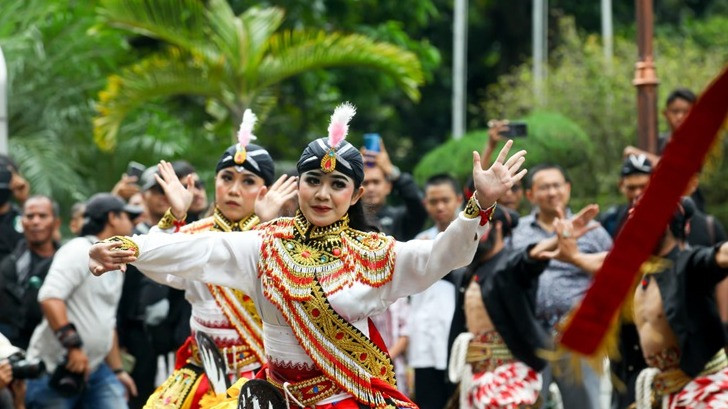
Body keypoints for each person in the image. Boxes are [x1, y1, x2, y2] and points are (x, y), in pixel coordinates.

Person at [89, 103, 527, 408]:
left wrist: (478, 206)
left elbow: (438, 257)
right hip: (269, 396)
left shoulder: (373, 254)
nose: (322, 193)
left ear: (356, 193)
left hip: (340, 398)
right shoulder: (267, 243)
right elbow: (201, 249)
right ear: (296, 184)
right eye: (312, 180)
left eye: (337, 185)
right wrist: (128, 246)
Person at [141, 110, 297, 408]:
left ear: (265, 190)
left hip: (260, 376)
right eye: (227, 178)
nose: (234, 190)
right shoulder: (192, 235)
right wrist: (174, 216)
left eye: (248, 181)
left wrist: (268, 226)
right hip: (203, 372)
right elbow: (153, 263)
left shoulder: (283, 240)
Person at [551, 197, 728, 408]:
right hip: (666, 388)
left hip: (706, 389)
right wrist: (574, 255)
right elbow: (605, 262)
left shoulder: (689, 264)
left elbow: (721, 254)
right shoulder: (641, 268)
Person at [447, 204, 599, 409]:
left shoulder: (510, 264)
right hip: (477, 374)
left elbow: (531, 255)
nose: (473, 232)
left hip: (511, 374)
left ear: (498, 227)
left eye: (480, 225)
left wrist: (558, 238)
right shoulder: (469, 271)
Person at [511, 163, 613, 409]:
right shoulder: (517, 231)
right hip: (530, 335)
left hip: (577, 334)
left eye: (557, 185)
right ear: (530, 194)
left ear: (568, 188)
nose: (552, 192)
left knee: (585, 404)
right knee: (526, 402)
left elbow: (613, 272)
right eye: (544, 187)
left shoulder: (592, 230)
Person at [25, 193, 140, 409]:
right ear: (113, 218)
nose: (133, 223)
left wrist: (118, 371)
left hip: (96, 369)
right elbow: (50, 297)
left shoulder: (114, 260)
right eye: (127, 216)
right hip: (56, 368)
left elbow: (106, 321)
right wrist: (73, 347)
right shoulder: (79, 249)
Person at [407, 174, 463, 409]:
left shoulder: (471, 240)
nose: (440, 207)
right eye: (433, 201)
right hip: (424, 345)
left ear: (458, 199)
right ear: (425, 204)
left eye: (445, 200)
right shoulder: (419, 242)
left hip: (457, 342)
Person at [0, 195, 60, 350]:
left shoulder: (67, 259)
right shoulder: (11, 265)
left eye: (42, 216)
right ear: (22, 222)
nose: (35, 222)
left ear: (56, 222)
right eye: (30, 216)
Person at [360, 138, 427, 240]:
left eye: (376, 182)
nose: (371, 188)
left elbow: (418, 205)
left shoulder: (400, 219)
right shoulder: (350, 219)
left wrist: (392, 171)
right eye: (365, 183)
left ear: (388, 187)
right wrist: (353, 171)